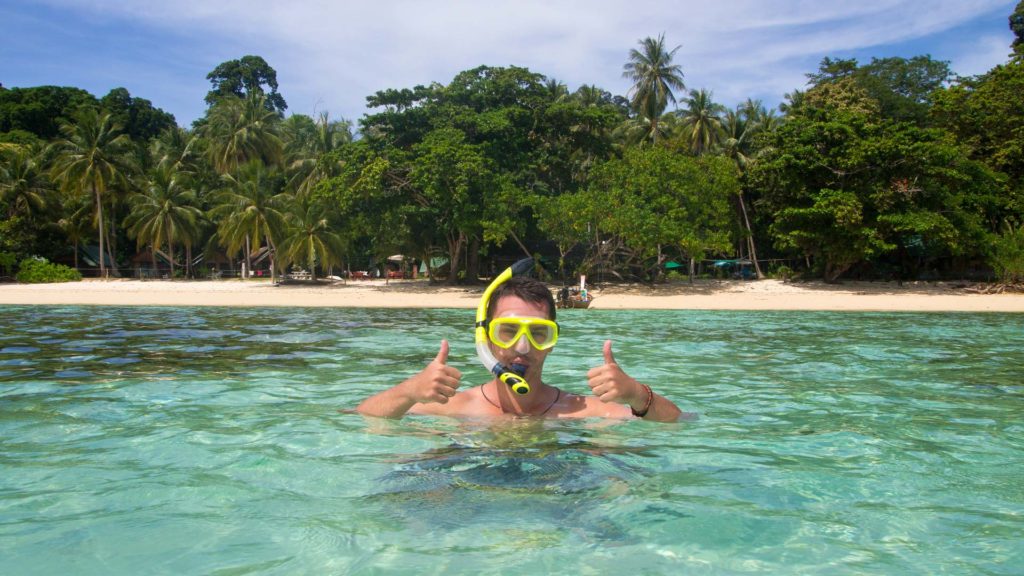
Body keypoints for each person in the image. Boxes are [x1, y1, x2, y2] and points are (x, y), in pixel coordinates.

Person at [356, 276, 685, 422]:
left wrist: (638, 394)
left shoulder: (582, 410)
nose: (523, 347)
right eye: (508, 332)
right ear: (485, 339)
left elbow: (681, 421)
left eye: (539, 334)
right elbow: (360, 416)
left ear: (552, 344)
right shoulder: (453, 406)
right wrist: (410, 391)